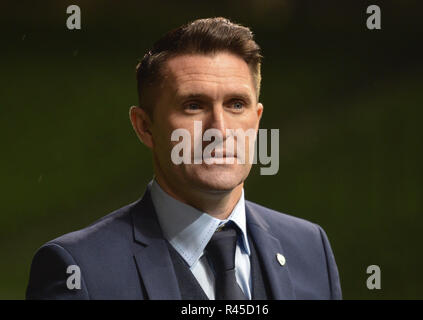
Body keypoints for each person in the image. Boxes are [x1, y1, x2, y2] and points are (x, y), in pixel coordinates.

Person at [26, 17, 342, 300]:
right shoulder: (78, 270)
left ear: (256, 120)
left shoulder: (311, 249)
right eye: (193, 105)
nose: (219, 129)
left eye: (235, 104)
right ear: (145, 127)